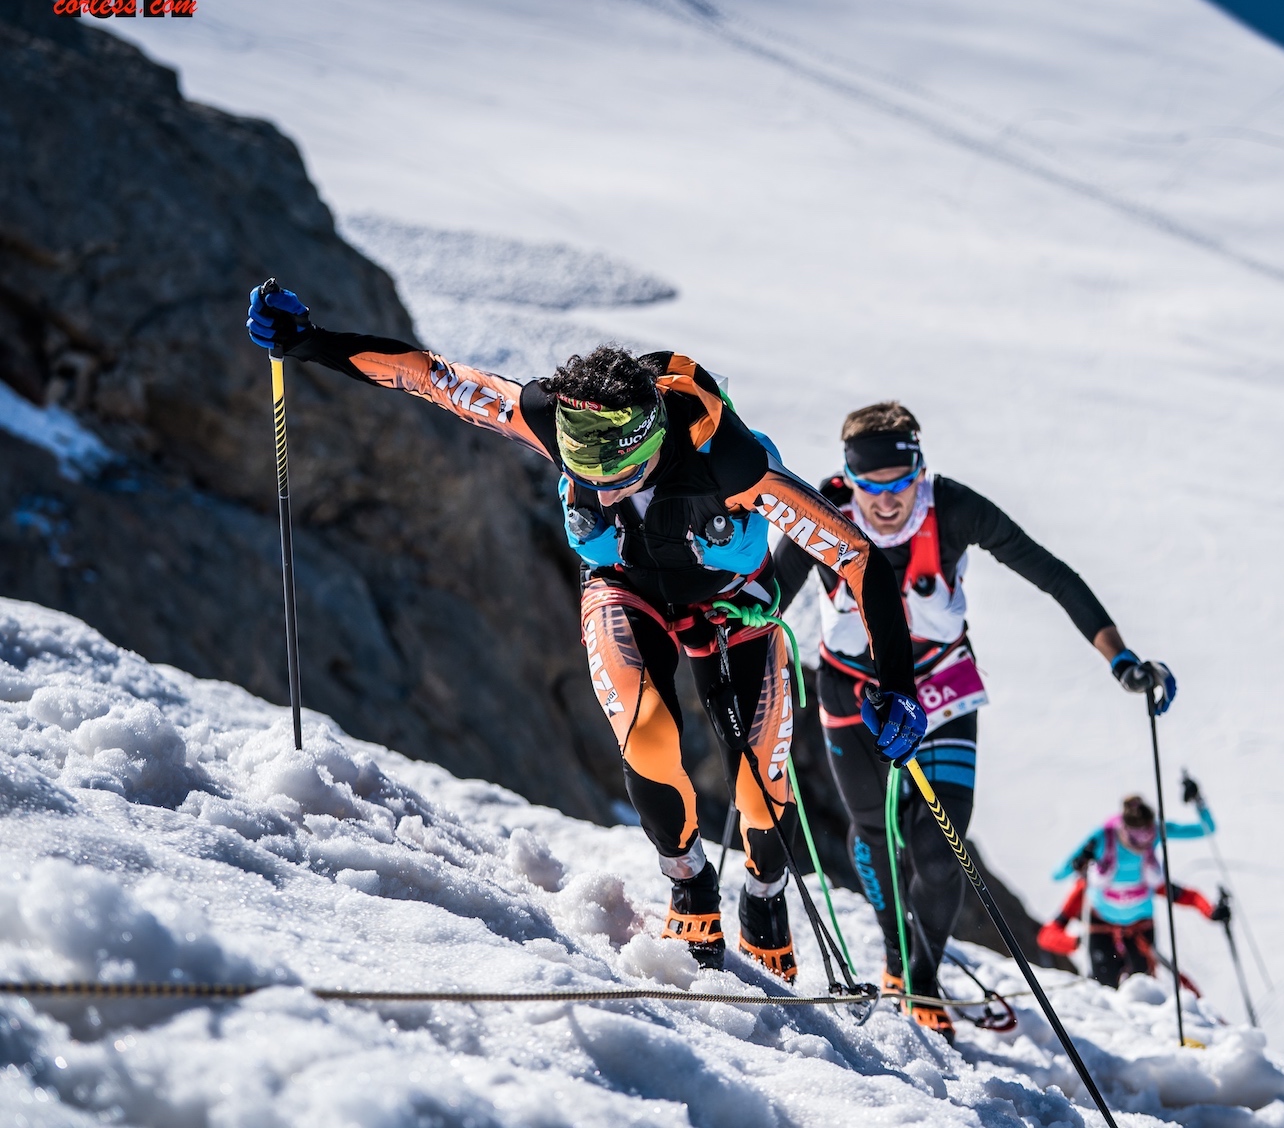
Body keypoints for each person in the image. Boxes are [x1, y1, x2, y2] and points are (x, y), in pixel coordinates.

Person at [245, 284, 927, 983]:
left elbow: (857, 557)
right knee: (646, 728)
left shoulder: (730, 461)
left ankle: (764, 890)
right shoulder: (549, 415)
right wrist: (309, 341)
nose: (602, 492)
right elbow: (430, 377)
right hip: (625, 589)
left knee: (759, 785)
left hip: (733, 607)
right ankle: (689, 882)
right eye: (584, 475)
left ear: (652, 440)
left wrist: (898, 685)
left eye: (619, 474)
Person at [767, 401, 1176, 1038]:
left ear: (920, 472)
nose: (886, 503)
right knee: (873, 832)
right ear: (850, 478)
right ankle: (898, 959)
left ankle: (922, 978)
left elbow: (1051, 573)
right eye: (871, 486)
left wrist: (1120, 657)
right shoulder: (823, 511)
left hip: (941, 690)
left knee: (939, 853)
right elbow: (766, 596)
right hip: (853, 694)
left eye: (900, 485)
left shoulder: (953, 507)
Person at [1038, 794, 1224, 988]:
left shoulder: (1155, 840)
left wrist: (1198, 800)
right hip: (1102, 930)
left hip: (1139, 930)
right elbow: (1057, 875)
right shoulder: (1102, 838)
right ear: (1123, 828)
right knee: (1107, 988)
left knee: (1142, 990)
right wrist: (1079, 860)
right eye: (1136, 837)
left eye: (1149, 836)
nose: (1142, 843)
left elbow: (1206, 829)